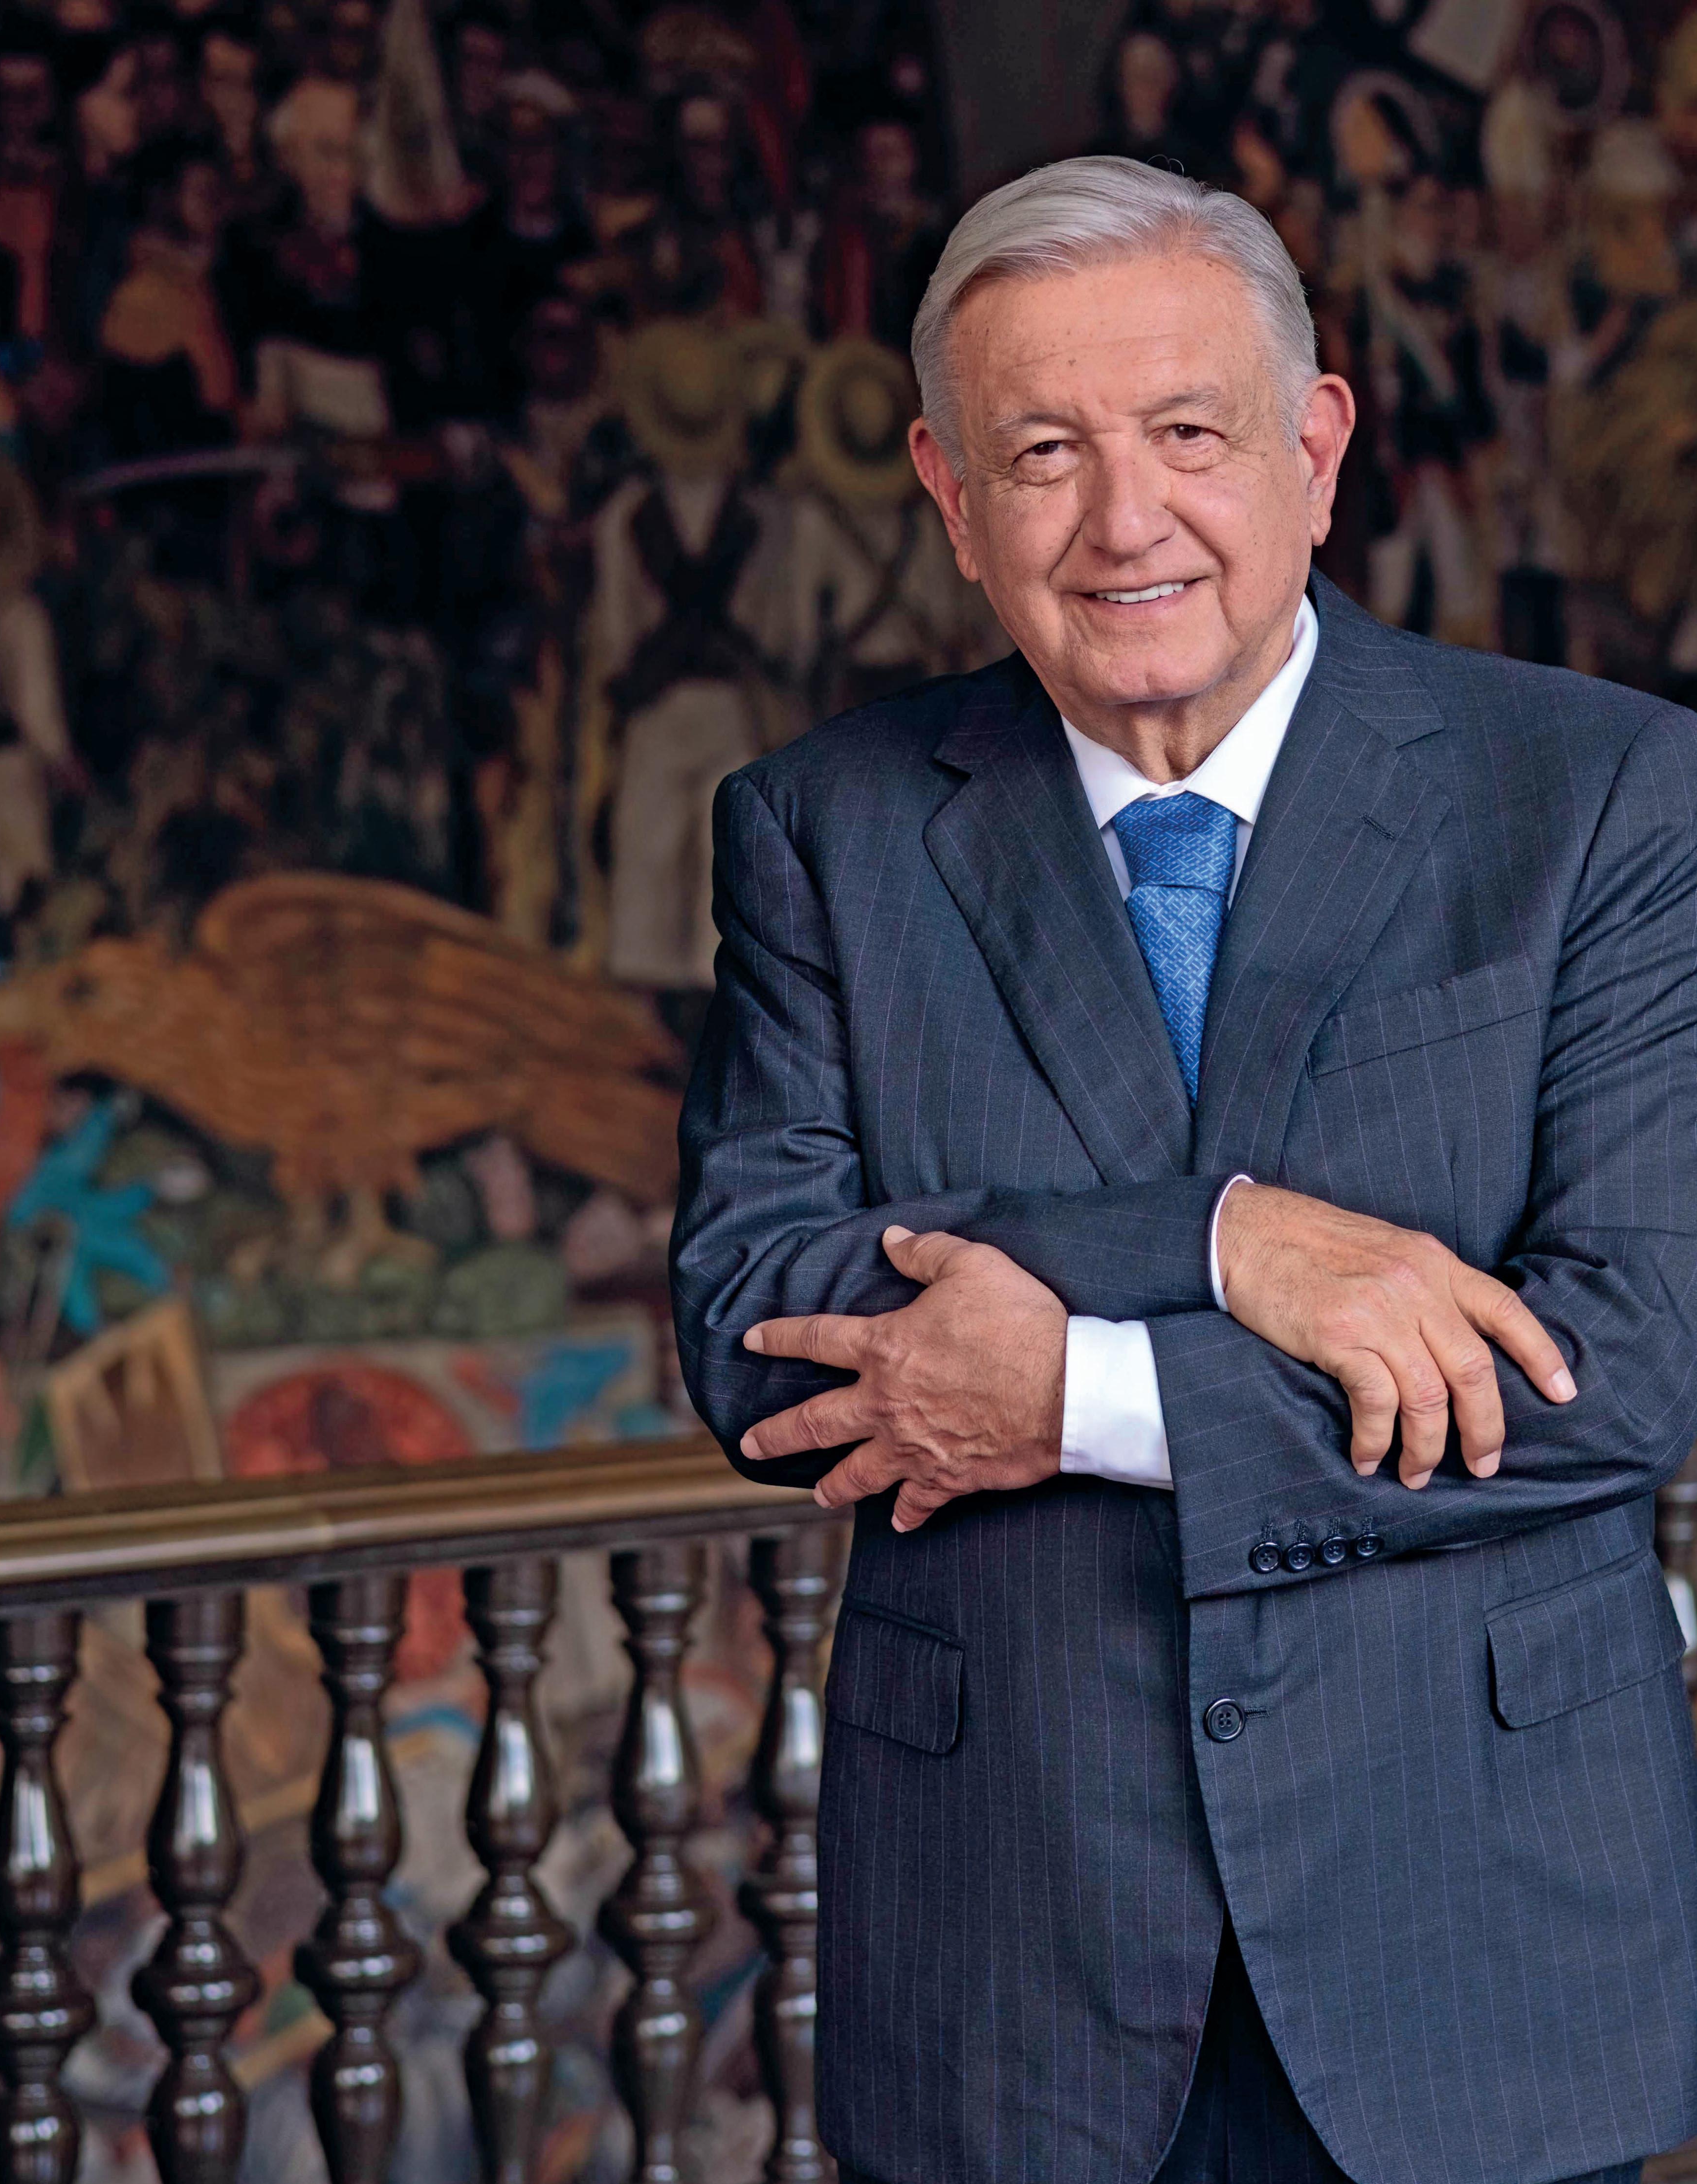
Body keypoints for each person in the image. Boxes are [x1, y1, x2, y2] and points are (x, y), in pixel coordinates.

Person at [672, 155, 1697, 2184]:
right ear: (952, 498)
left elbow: (1628, 1357)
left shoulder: (1601, 792)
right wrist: (1228, 1245)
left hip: (1472, 1947)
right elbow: (756, 1318)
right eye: (1043, 453)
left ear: (1315, 449)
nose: (1124, 517)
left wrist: (1074, 1391)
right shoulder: (819, 827)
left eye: (1188, 434)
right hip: (1014, 1961)